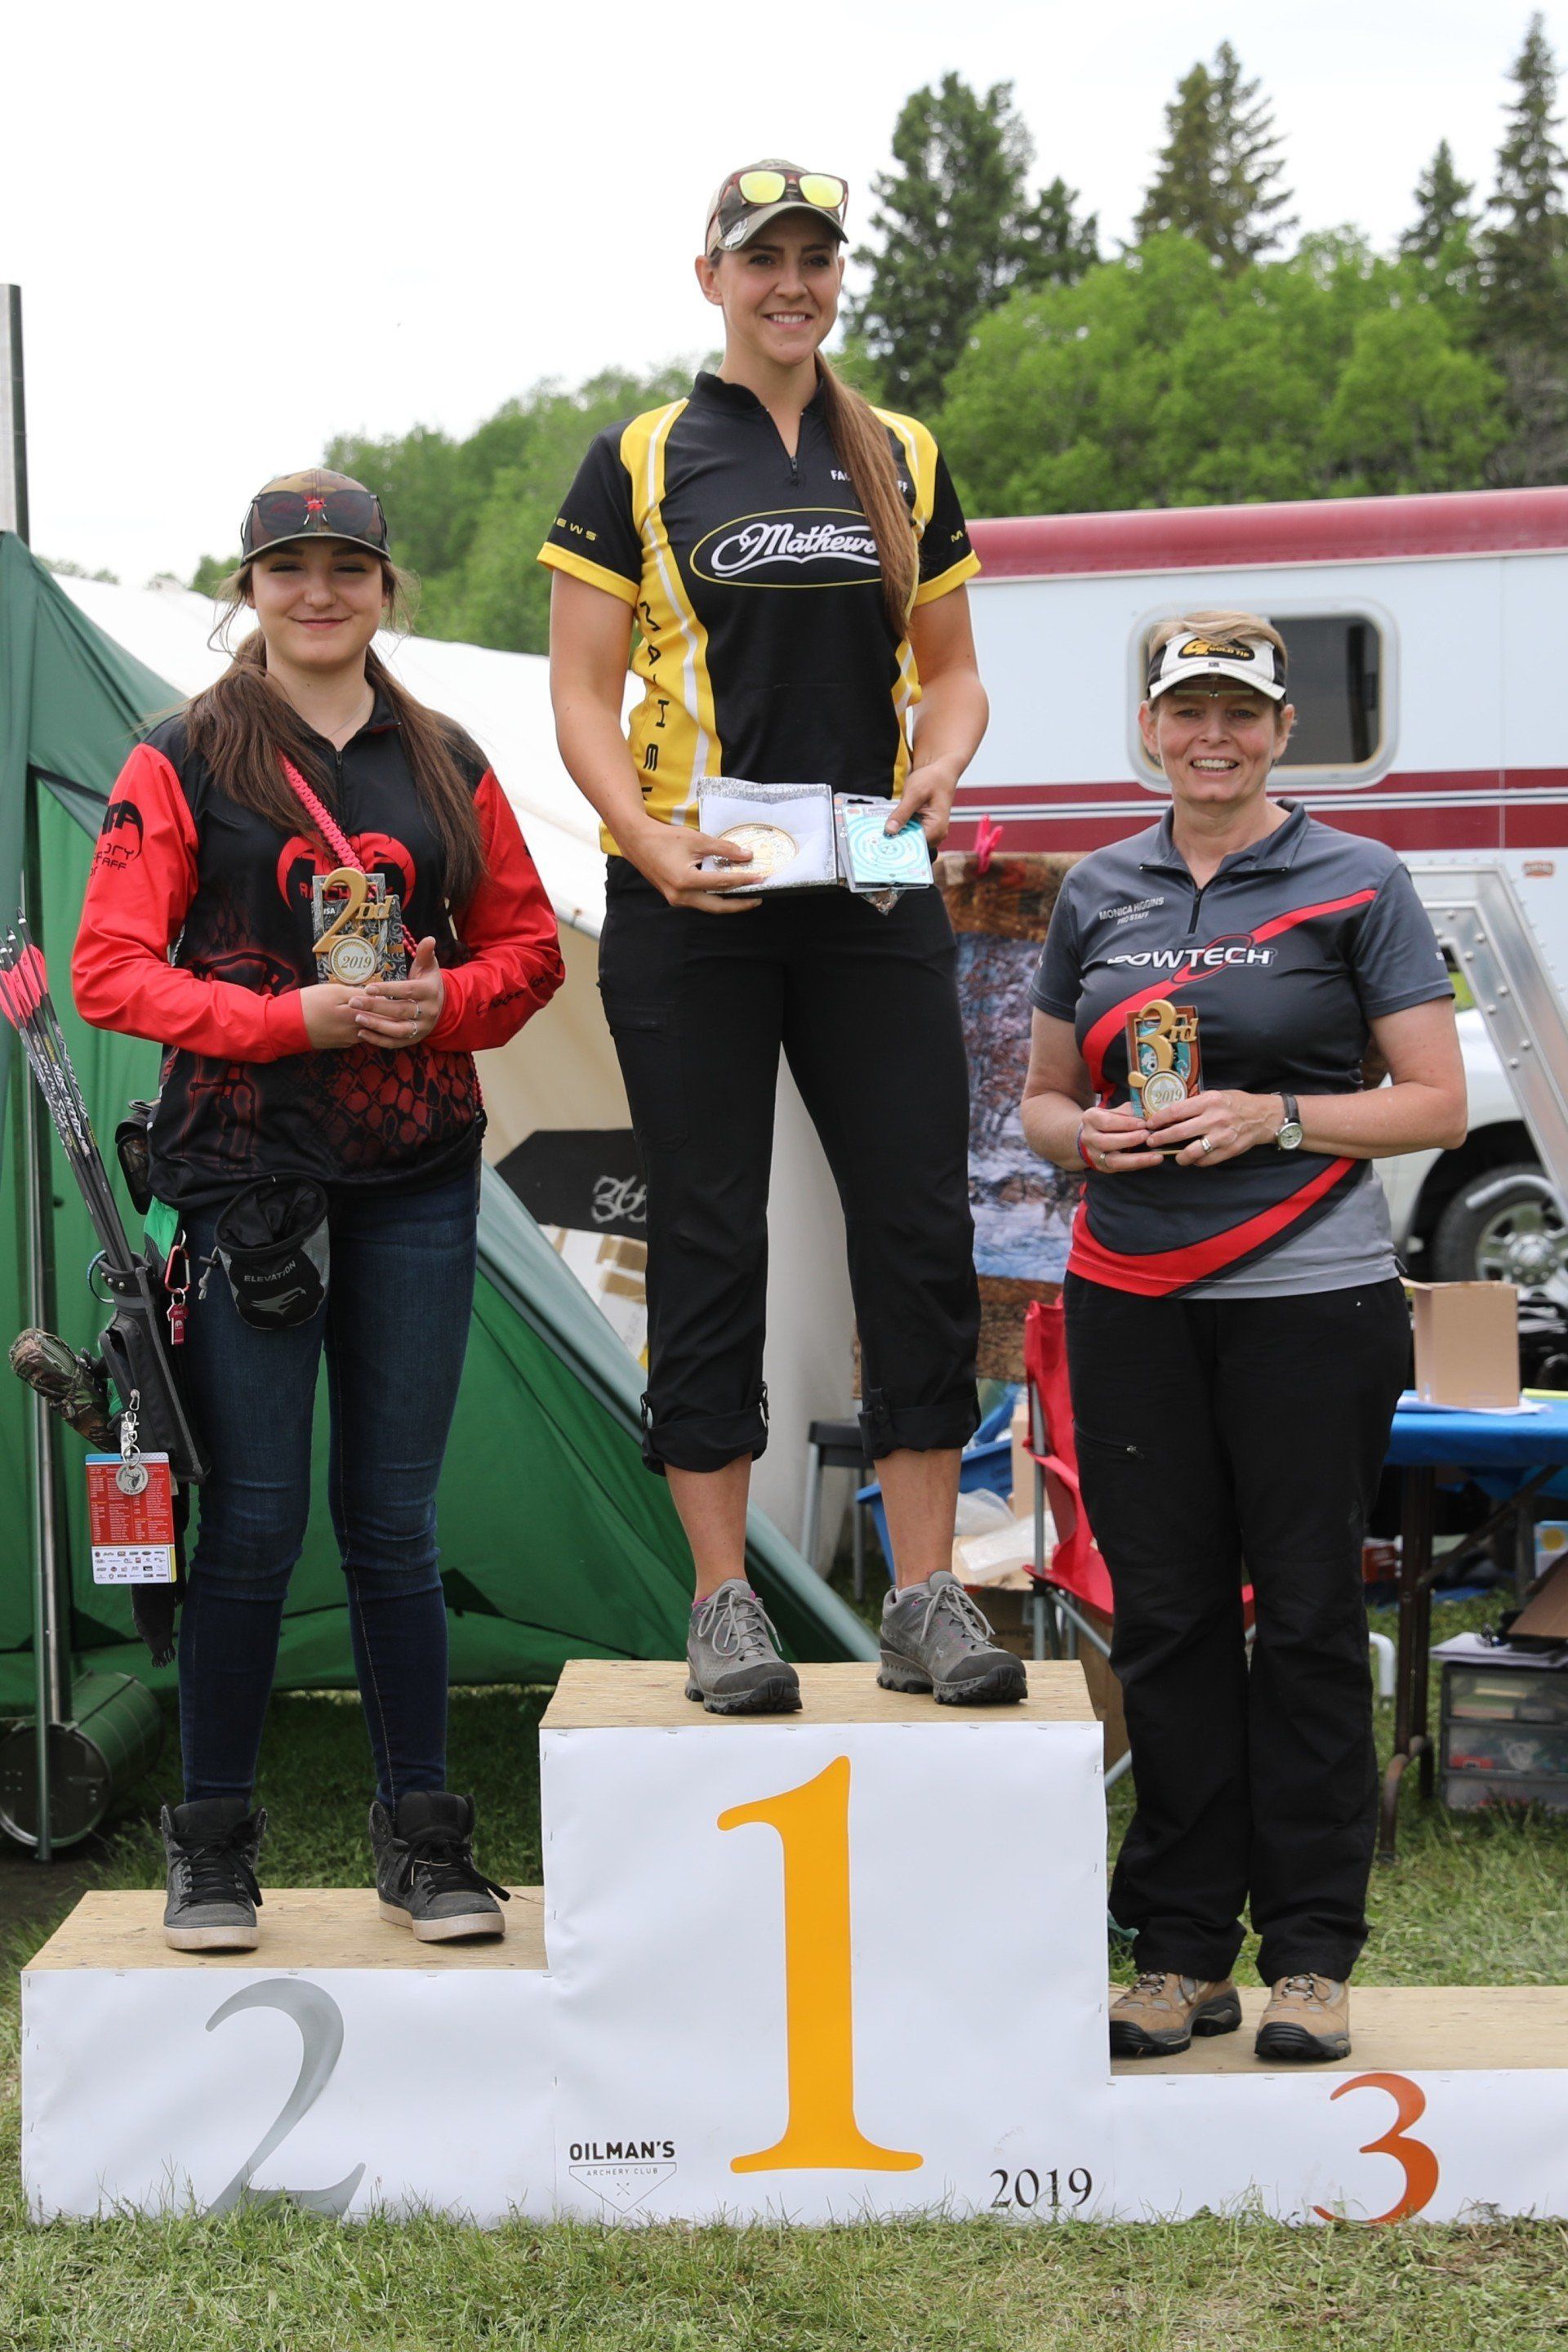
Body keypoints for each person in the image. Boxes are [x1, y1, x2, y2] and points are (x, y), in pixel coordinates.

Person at [541, 161, 1022, 1711]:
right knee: (707, 1229)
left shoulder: (904, 451)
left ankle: (931, 1590)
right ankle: (724, 1599)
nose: (792, 284)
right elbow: (578, 696)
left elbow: (950, 674)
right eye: (765, 261)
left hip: (872, 885)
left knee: (914, 1222)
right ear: (712, 278)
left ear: (837, 279)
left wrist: (943, 763)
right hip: (701, 901)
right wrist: (647, 841)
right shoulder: (640, 456)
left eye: (817, 259)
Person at [74, 469, 564, 1952]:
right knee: (252, 1526)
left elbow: (529, 950)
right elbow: (109, 972)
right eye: (290, 568)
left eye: (347, 566)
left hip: (416, 1170)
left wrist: (441, 1003)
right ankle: (211, 1846)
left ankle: (424, 1842)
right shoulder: (177, 758)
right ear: (251, 589)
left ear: (385, 586)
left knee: (394, 1523)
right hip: (247, 1184)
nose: (319, 592)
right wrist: (297, 1021)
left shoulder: (450, 758)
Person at [1020, 613, 1465, 2063]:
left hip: (1308, 1301)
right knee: (1167, 1622)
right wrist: (1078, 1135)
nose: (1213, 737)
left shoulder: (1361, 880)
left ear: (1282, 733)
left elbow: (1434, 1103)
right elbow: (1035, 1100)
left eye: (1241, 713)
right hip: (1129, 1300)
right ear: (1150, 730)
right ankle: (1178, 1949)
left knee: (1315, 1620)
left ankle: (1315, 1955)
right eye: (1186, 711)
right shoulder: (1098, 888)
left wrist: (1277, 1115)